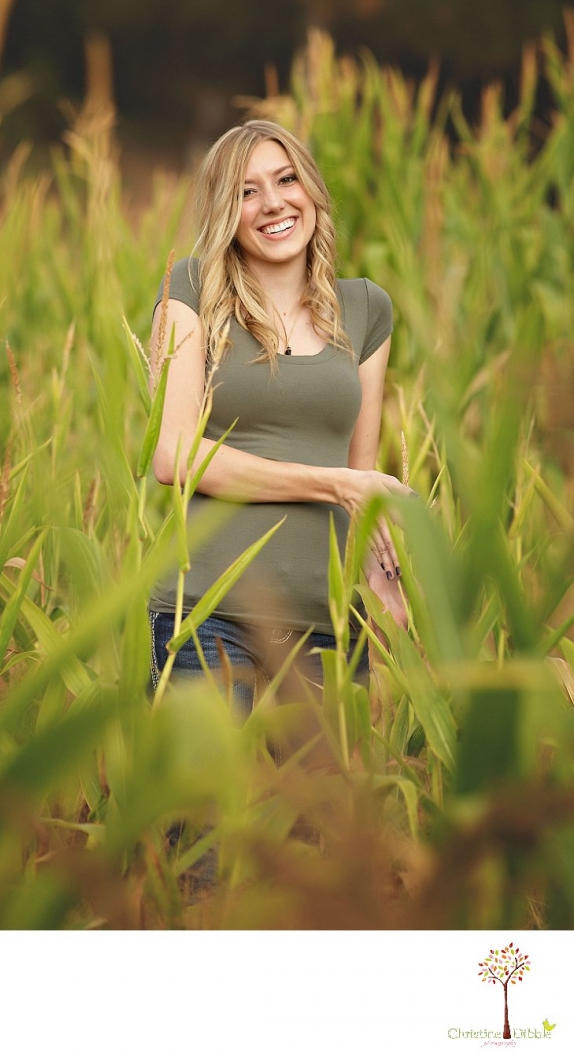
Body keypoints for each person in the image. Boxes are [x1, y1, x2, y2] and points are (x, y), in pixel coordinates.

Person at [148, 119, 412, 714]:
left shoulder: (366, 307)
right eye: (247, 191)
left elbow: (359, 471)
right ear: (226, 213)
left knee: (322, 811)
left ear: (311, 190)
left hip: (326, 625)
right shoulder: (191, 290)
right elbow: (176, 456)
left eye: (286, 179)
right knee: (198, 809)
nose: (273, 203)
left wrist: (381, 576)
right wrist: (334, 484)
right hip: (210, 616)